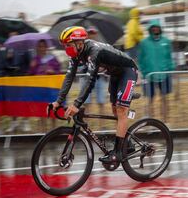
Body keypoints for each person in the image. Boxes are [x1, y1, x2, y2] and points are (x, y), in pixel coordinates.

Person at [51, 26, 138, 163]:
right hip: (115, 75)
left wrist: (76, 104)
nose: (66, 48)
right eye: (64, 45)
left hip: (128, 71)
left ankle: (117, 153)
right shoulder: (76, 54)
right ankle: (128, 143)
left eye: (68, 45)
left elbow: (90, 80)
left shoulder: (94, 51)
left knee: (121, 111)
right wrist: (58, 101)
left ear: (79, 43)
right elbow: (69, 77)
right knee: (115, 110)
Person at [138, 19, 175, 122]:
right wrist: (144, 72)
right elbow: (140, 59)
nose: (155, 29)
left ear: (160, 28)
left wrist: (170, 69)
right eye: (153, 27)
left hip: (165, 75)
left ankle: (165, 122)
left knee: (165, 100)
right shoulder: (144, 43)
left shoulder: (166, 42)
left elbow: (169, 58)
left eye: (157, 27)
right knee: (149, 101)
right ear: (150, 29)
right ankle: (151, 124)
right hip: (149, 76)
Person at [79, 27, 107, 128]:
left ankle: (102, 126)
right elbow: (80, 64)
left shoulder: (101, 47)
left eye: (94, 33)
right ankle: (87, 126)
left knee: (101, 102)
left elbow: (106, 62)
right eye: (90, 33)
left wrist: (102, 68)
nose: (92, 35)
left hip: (99, 78)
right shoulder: (82, 48)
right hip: (86, 78)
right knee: (86, 103)